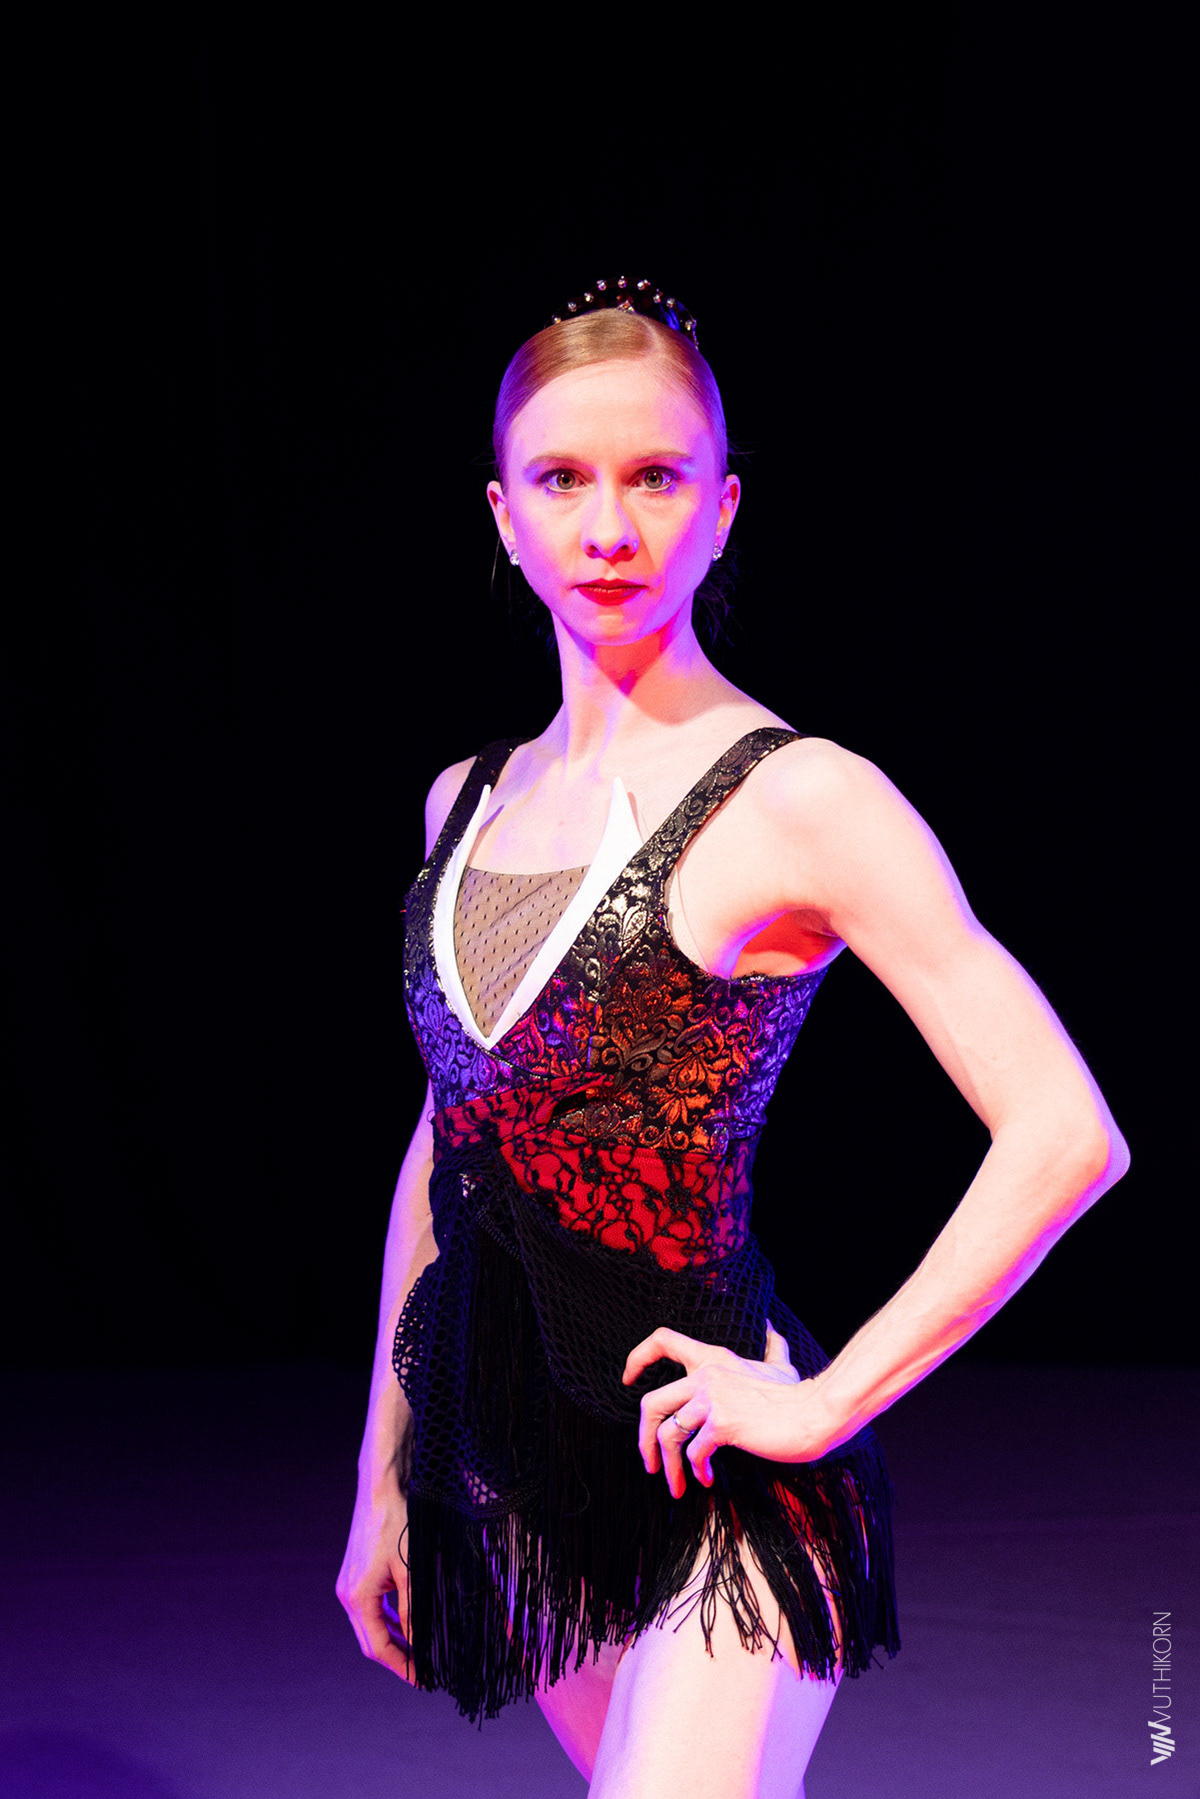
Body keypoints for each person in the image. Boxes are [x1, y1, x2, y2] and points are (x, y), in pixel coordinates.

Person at [336, 277, 1129, 1797]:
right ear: (503, 515)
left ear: (723, 510)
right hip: (525, 1488)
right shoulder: (464, 803)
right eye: (562, 479)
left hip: (728, 1483)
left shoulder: (801, 797)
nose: (609, 528)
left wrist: (826, 1402)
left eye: (656, 477)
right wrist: (384, 1475)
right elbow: (450, 1147)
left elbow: (1064, 1132)